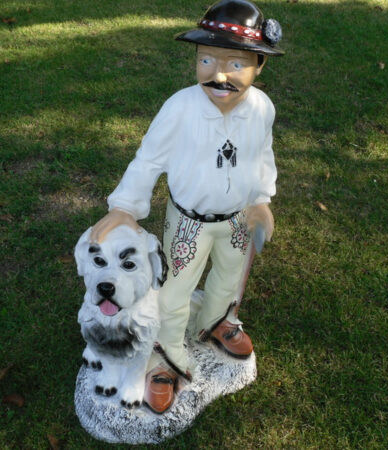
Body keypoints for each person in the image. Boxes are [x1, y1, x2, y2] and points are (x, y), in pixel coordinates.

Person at [90, 0, 284, 413]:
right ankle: (165, 356)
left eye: (236, 64)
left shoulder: (262, 109)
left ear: (259, 65)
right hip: (189, 223)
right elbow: (149, 159)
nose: (219, 74)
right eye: (207, 59)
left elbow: (262, 154)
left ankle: (216, 321)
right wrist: (125, 206)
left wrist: (262, 200)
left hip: (235, 218)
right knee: (176, 288)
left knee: (229, 276)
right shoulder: (180, 108)